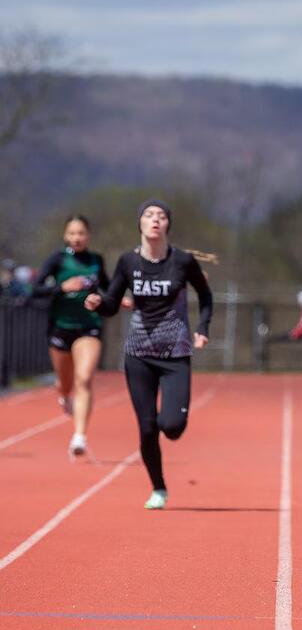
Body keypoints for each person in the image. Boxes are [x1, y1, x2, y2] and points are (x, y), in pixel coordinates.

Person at [85, 200, 213, 510]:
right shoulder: (128, 262)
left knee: (171, 427)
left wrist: (202, 327)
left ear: (168, 224)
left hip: (175, 354)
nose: (155, 220)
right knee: (145, 427)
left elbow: (205, 296)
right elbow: (113, 302)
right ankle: (158, 488)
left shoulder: (182, 261)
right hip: (138, 354)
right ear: (140, 224)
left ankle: (170, 420)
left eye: (161, 216)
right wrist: (97, 304)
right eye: (148, 215)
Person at [32, 215, 118, 456]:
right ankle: (62, 390)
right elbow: (35, 290)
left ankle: (79, 436)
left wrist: (117, 299)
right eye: (72, 233)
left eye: (81, 233)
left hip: (89, 325)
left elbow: (109, 288)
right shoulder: (57, 260)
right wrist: (62, 287)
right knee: (67, 382)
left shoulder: (96, 261)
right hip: (60, 327)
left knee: (84, 378)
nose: (77, 238)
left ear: (88, 235)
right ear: (65, 235)